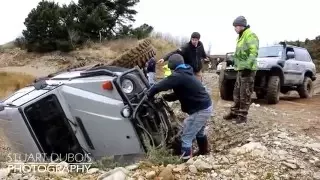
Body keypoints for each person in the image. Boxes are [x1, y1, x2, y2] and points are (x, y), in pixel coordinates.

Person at [147, 54, 213, 161]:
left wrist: (149, 95)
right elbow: (182, 93)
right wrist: (167, 97)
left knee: (186, 138)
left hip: (200, 109)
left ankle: (186, 164)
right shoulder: (186, 73)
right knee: (199, 132)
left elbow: (158, 86)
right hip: (205, 106)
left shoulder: (178, 75)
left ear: (172, 65)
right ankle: (203, 152)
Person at [223, 16, 259, 124]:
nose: (234, 29)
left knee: (245, 93)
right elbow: (240, 53)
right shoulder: (241, 36)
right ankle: (234, 112)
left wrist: (247, 67)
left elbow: (253, 53)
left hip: (247, 70)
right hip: (240, 69)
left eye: (235, 26)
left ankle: (242, 116)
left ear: (240, 26)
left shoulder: (250, 35)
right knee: (237, 92)